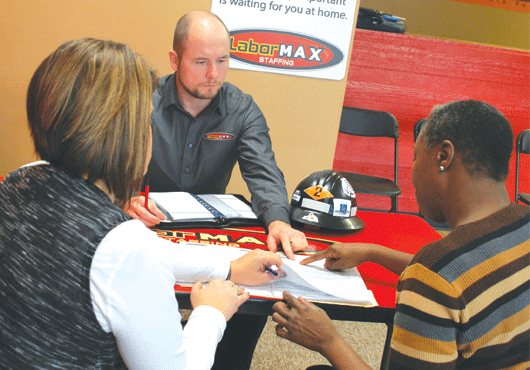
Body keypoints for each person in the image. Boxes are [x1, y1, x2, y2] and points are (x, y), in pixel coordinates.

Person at [0, 38, 285, 369]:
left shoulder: (20, 178)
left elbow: (138, 256)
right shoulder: (124, 248)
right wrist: (211, 312)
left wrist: (229, 267)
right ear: (125, 133)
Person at [272, 100, 530, 369]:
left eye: (417, 157)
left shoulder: (434, 276)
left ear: (444, 157)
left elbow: (439, 279)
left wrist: (328, 340)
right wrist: (371, 252)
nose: (412, 173)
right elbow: (466, 279)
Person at [125, 10, 308, 260]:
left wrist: (278, 222)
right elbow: (104, 163)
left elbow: (263, 172)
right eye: (201, 62)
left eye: (222, 61)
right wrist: (123, 197)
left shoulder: (242, 109)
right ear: (175, 60)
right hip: (144, 226)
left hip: (208, 235)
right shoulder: (143, 101)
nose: (213, 74)